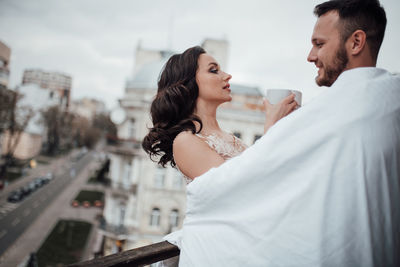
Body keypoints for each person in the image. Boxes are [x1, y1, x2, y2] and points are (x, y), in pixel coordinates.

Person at [176, 0, 400, 266]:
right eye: (214, 70)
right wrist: (276, 131)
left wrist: (278, 131)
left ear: (356, 42)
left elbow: (242, 187)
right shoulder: (389, 99)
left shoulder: (323, 116)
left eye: (319, 44)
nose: (310, 55)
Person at [142, 46, 297, 182]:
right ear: (188, 84)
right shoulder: (186, 141)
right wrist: (271, 127)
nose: (227, 75)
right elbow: (237, 189)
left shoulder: (229, 137)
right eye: (213, 70)